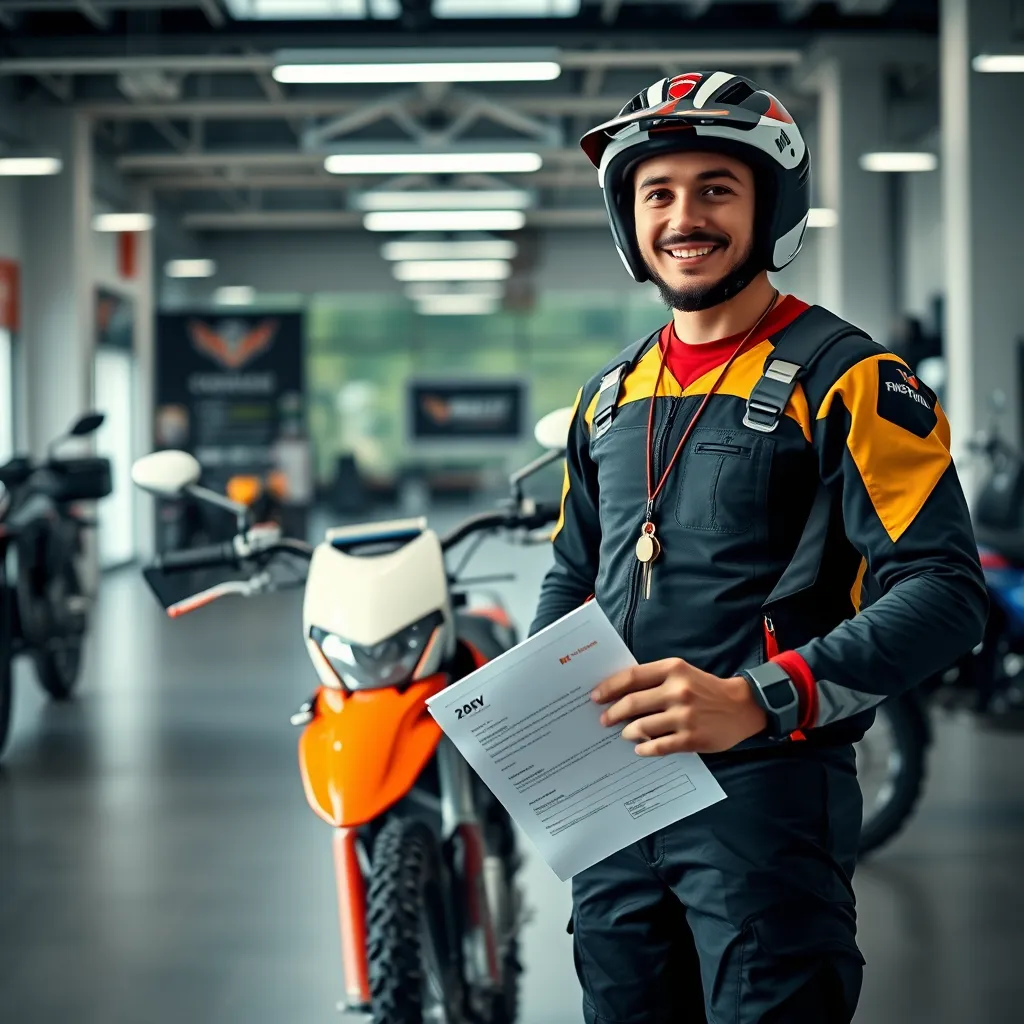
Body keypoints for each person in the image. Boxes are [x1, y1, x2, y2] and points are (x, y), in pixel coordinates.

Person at [530, 71, 987, 1024]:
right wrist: (539, 722)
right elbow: (576, 575)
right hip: (616, 805)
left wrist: (759, 699)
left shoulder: (853, 379)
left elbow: (944, 594)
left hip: (765, 800)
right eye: (657, 192)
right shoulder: (607, 398)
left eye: (714, 189)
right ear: (630, 218)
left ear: (769, 205)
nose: (682, 217)